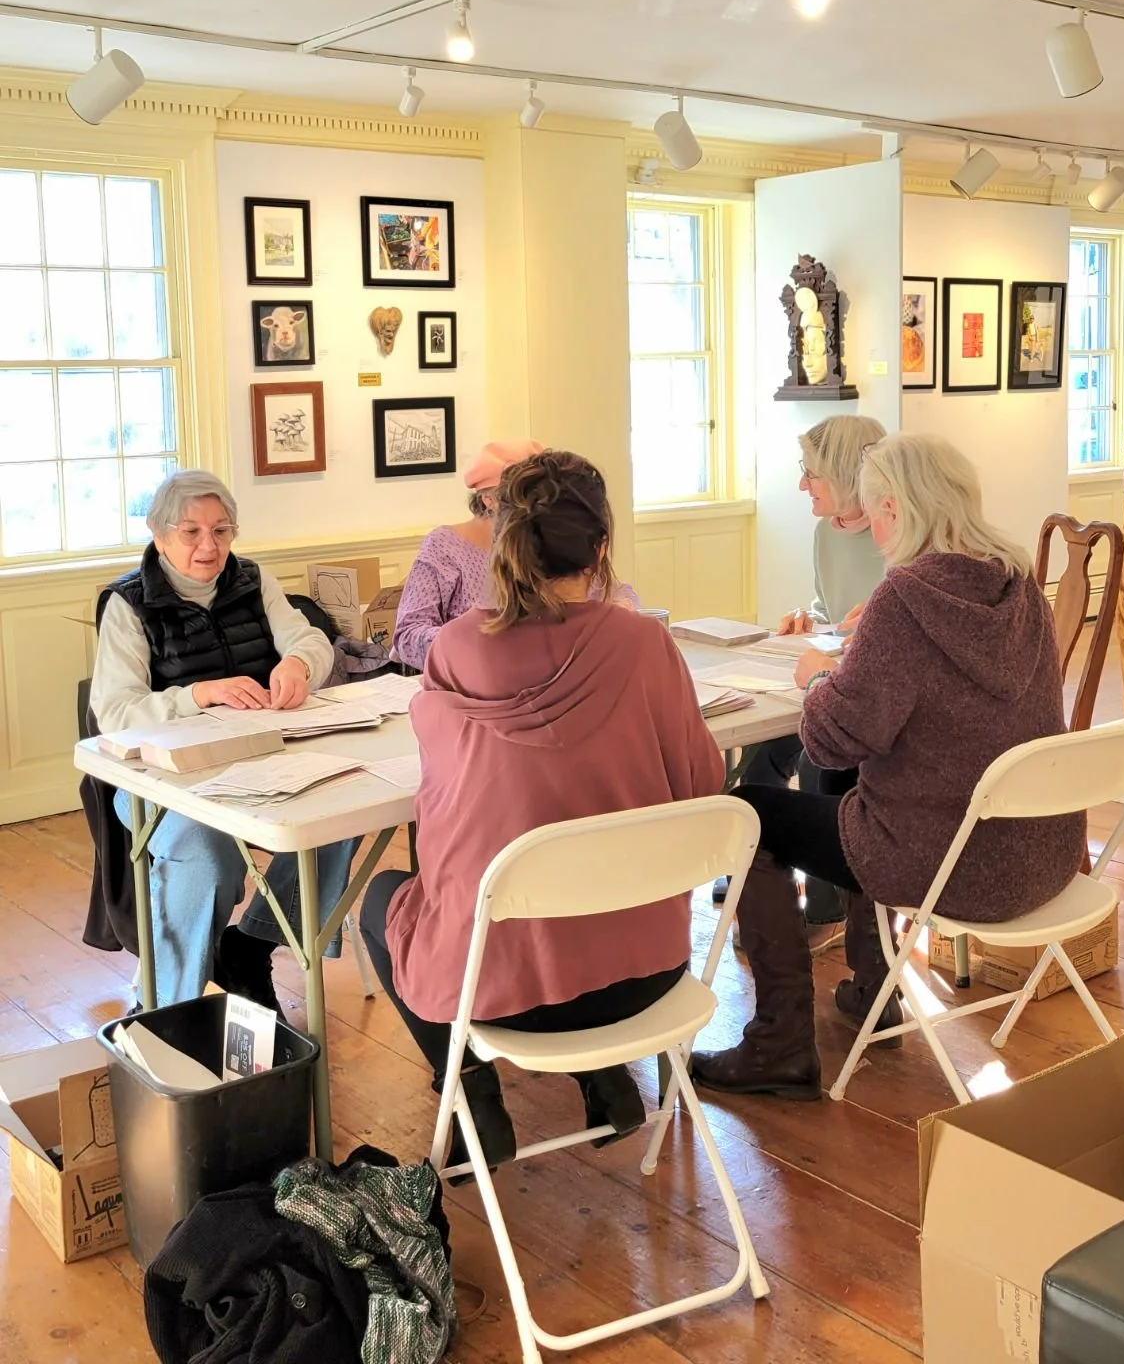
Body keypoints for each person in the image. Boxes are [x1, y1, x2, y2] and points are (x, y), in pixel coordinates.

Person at [692, 432, 1086, 1100]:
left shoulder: (903, 599)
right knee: (857, 788)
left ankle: (780, 1041)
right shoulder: (1021, 587)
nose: (870, 527)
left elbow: (831, 741)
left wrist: (820, 679)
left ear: (900, 509)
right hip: (1042, 855)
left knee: (750, 813)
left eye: (876, 510)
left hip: (949, 865)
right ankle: (874, 988)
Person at [360, 450, 724, 1170]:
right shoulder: (646, 642)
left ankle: (472, 1094)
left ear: (502, 542)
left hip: (503, 994)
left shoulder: (460, 648)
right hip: (649, 976)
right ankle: (607, 1079)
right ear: (601, 546)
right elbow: (703, 785)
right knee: (567, 884)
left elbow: (443, 819)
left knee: (383, 900)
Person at [87, 470, 358, 1010]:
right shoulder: (127, 603)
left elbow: (309, 638)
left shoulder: (254, 580)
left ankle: (250, 946)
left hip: (259, 761)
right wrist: (200, 694)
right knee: (208, 853)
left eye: (222, 530)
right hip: (163, 780)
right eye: (190, 532)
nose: (209, 546)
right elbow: (115, 712)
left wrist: (301, 665)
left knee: (339, 820)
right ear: (158, 533)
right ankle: (167, 1006)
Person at [721, 415, 887, 924]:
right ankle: (754, 876)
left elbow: (890, 621)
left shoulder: (897, 533)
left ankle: (826, 904)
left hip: (867, 691)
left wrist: (867, 623)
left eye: (810, 472)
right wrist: (808, 616)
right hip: (829, 674)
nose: (801, 484)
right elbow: (830, 606)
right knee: (763, 754)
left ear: (842, 472)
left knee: (820, 754)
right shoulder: (825, 532)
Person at [391, 437, 639, 671]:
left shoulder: (550, 540)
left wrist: (621, 610)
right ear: (488, 500)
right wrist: (477, 644)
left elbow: (614, 591)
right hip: (474, 685)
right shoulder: (445, 547)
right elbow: (408, 634)